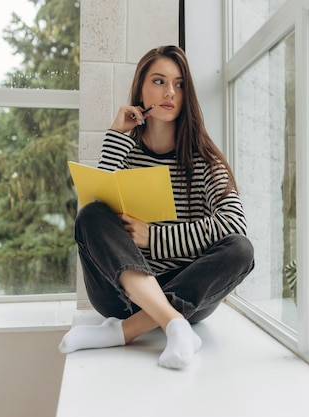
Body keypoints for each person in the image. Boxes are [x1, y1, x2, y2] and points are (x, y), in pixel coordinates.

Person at [58, 45, 255, 369]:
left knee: (241, 249)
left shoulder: (205, 160)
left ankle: (129, 331)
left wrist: (154, 238)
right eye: (160, 81)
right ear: (141, 89)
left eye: (179, 84)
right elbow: (96, 213)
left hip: (188, 294)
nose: (170, 92)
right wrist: (115, 136)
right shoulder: (125, 150)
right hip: (121, 295)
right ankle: (169, 323)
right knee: (90, 214)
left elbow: (234, 225)